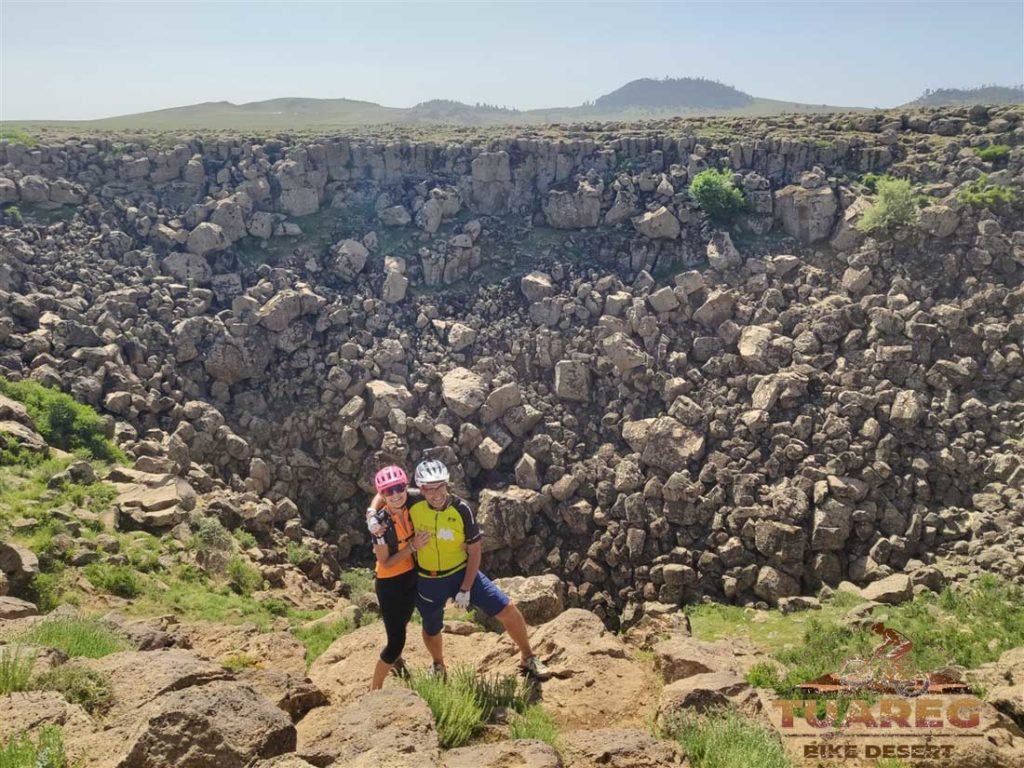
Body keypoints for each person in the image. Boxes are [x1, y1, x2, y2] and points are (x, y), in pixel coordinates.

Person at [408, 458, 551, 680]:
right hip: (428, 578)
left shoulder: (461, 509)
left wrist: (465, 588)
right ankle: (438, 665)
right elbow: (385, 494)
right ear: (421, 488)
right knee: (430, 627)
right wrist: (372, 512)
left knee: (507, 609)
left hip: (461, 572)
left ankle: (528, 656)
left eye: (440, 486)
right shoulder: (412, 501)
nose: (436, 493)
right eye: (429, 488)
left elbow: (475, 551)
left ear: (447, 484)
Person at [365, 465, 430, 690]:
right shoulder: (380, 526)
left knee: (402, 622)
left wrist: (369, 510)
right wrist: (412, 546)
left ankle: (396, 660)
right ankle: (375, 690)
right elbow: (385, 562)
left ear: (406, 486)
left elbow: (434, 492)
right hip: (389, 582)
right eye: (389, 491)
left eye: (399, 488)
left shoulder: (412, 501)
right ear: (383, 495)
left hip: (410, 576)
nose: (395, 494)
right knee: (396, 642)